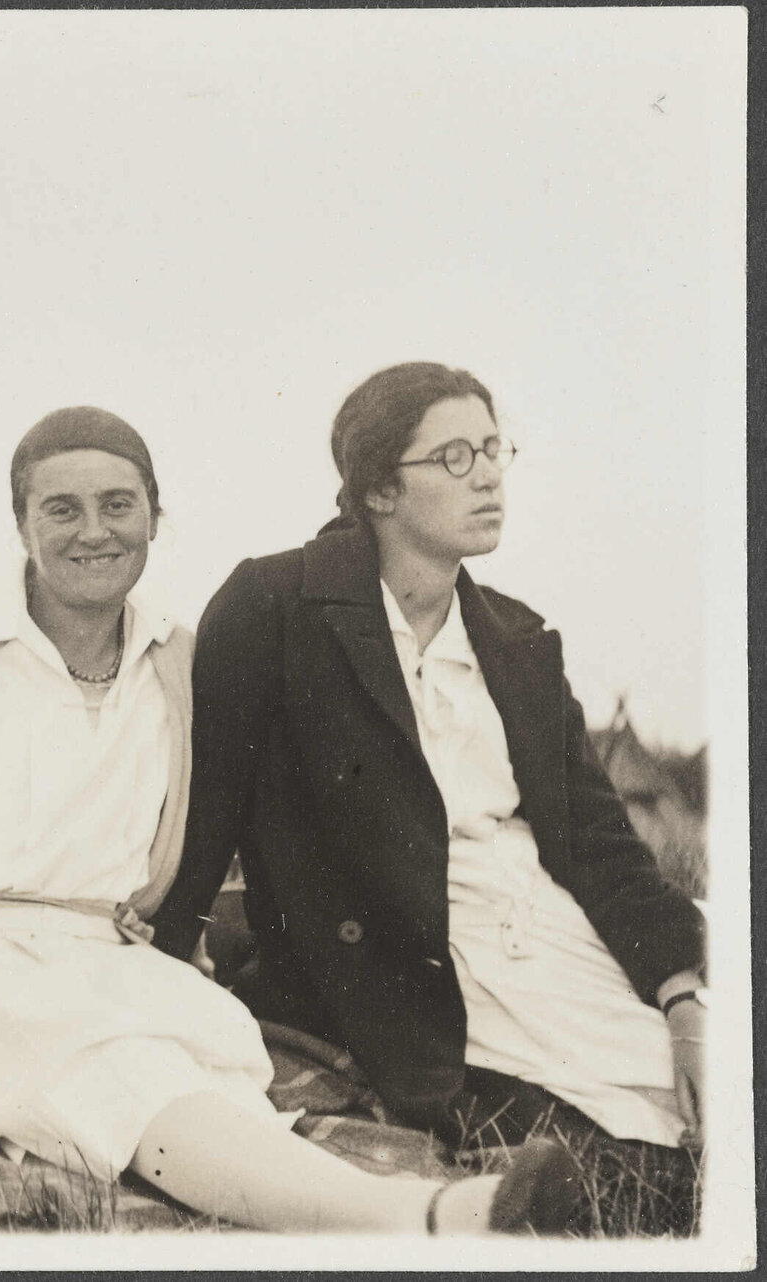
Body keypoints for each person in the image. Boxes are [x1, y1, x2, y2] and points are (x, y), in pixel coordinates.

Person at [0, 405, 577, 1234]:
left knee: (196, 1077)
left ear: (155, 516)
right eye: (60, 509)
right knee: (115, 1074)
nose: (93, 532)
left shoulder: (183, 663)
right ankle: (432, 1220)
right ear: (19, 524)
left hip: (111, 963)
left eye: (118, 505)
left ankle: (385, 1213)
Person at [156, 362, 705, 1234]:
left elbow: (601, 846)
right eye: (453, 456)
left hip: (549, 928)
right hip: (409, 946)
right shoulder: (273, 605)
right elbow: (205, 805)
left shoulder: (519, 640)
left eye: (493, 449)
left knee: (707, 1085)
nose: (489, 475)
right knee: (644, 1133)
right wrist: (172, 950)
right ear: (376, 486)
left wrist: (682, 997)